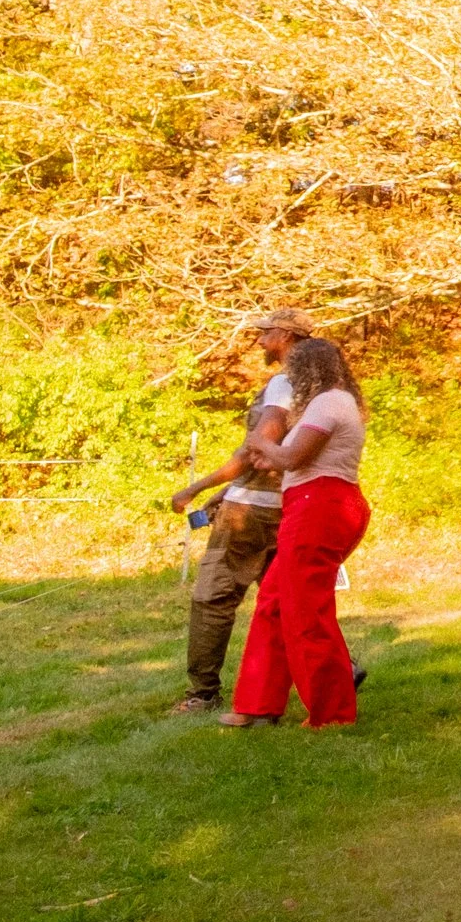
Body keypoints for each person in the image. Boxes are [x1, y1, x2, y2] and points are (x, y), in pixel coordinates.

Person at [224, 335, 371, 729]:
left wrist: (258, 441)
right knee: (273, 602)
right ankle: (257, 705)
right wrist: (271, 457)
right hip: (311, 503)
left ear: (308, 369)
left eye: (294, 371)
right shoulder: (333, 404)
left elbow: (291, 456)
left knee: (307, 611)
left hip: (320, 507)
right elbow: (290, 461)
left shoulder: (328, 402)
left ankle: (333, 712)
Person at [167, 306, 308, 715]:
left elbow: (256, 449)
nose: (260, 342)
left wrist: (196, 487)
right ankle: (339, 669)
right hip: (293, 506)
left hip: (251, 515)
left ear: (285, 335)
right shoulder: (324, 385)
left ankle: (202, 695)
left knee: (212, 599)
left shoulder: (284, 383)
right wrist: (229, 488)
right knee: (289, 600)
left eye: (266, 334)